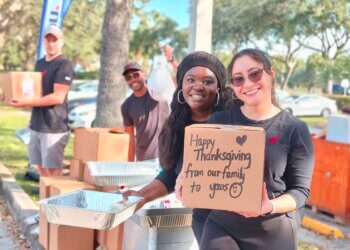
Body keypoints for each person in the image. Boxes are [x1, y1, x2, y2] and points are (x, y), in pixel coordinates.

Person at [176, 49, 313, 250]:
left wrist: (268, 207)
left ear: (271, 73)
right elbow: (201, 169)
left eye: (255, 74)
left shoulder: (295, 129)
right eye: (238, 79)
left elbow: (300, 192)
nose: (248, 84)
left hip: (272, 229)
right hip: (222, 226)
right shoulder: (219, 121)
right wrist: (186, 183)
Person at [123, 51, 232, 244]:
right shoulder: (177, 126)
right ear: (181, 85)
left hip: (240, 220)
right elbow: (172, 172)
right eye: (190, 79)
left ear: (219, 88)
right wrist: (141, 196)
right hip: (205, 222)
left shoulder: (235, 120)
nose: (198, 86)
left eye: (207, 81)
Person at [11, 24, 73, 177]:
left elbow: (58, 97)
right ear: (43, 42)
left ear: (61, 42)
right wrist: (11, 95)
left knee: (53, 171)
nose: (51, 44)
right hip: (37, 124)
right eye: (48, 40)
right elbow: (33, 92)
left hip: (54, 127)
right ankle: (45, 199)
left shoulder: (64, 64)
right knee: (40, 168)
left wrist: (26, 103)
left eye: (54, 40)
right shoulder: (40, 63)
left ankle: (55, 200)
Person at [121, 62, 169, 161]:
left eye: (136, 75)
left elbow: (179, 79)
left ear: (144, 74)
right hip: (144, 160)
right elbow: (129, 138)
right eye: (128, 78)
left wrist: (171, 60)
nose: (133, 80)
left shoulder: (158, 92)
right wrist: (130, 164)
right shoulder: (127, 106)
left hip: (166, 156)